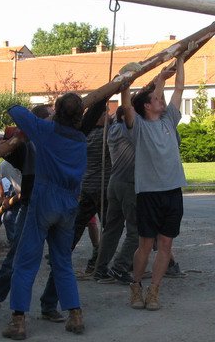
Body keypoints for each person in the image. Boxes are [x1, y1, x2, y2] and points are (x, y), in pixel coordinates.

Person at [1, 94, 87, 340]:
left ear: (57, 111)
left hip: (45, 198)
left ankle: (18, 321)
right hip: (70, 202)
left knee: (26, 261)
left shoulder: (46, 130)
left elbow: (15, 110)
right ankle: (75, 315)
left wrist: (43, 115)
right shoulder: (81, 139)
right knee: (62, 262)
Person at [0, 106, 63, 324]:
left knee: (61, 260)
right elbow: (9, 150)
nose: (55, 119)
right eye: (50, 116)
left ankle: (49, 305)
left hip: (56, 206)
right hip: (33, 207)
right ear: (40, 122)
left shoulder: (61, 141)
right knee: (15, 260)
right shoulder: (28, 145)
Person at [121, 54, 189, 310]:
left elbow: (179, 87)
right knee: (145, 244)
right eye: (158, 98)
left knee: (166, 243)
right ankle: (136, 284)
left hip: (172, 191)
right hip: (148, 194)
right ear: (147, 106)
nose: (162, 100)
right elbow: (128, 106)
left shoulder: (168, 119)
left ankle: (155, 290)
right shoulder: (137, 126)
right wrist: (126, 83)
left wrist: (181, 58)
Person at [91, 105, 137, 284]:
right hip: (130, 184)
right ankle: (120, 267)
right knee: (136, 230)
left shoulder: (111, 131)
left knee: (111, 229)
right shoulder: (129, 133)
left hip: (114, 182)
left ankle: (100, 269)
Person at [71, 103, 111, 277]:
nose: (109, 117)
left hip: (87, 186)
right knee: (108, 229)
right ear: (100, 118)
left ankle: (61, 253)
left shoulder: (83, 136)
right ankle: (97, 263)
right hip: (103, 187)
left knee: (78, 224)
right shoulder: (106, 135)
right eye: (107, 114)